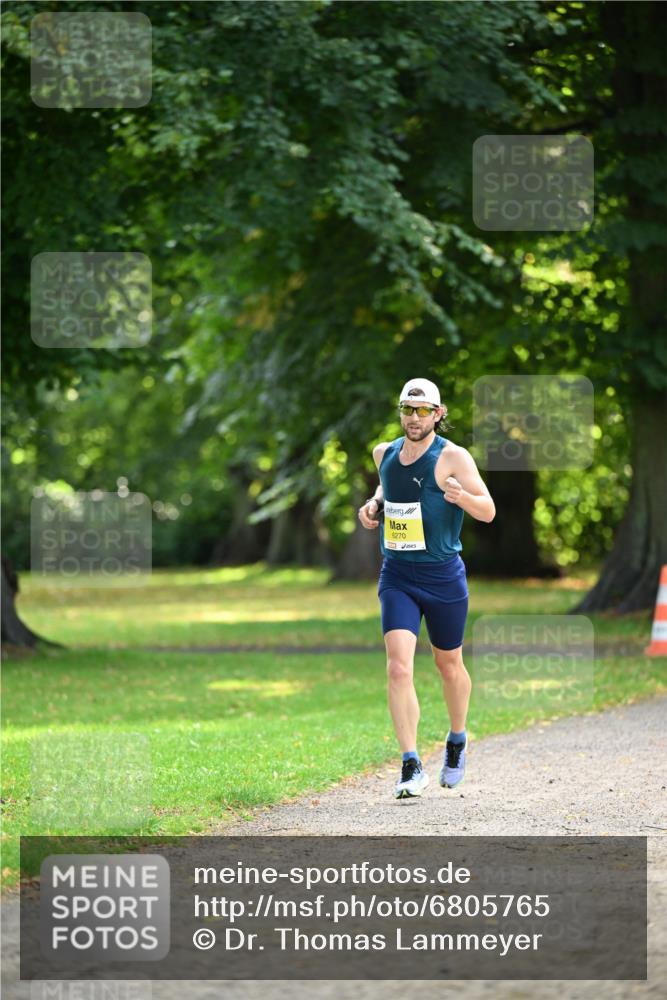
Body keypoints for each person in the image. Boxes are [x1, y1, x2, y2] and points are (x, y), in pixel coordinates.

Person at [358, 377, 495, 799]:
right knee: (398, 667)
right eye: (407, 409)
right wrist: (375, 504)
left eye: (422, 411)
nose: (414, 418)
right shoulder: (384, 453)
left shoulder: (453, 456)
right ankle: (410, 763)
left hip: (442, 576)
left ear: (438, 414)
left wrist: (461, 498)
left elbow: (488, 510)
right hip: (397, 574)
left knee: (448, 664)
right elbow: (387, 485)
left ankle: (457, 739)